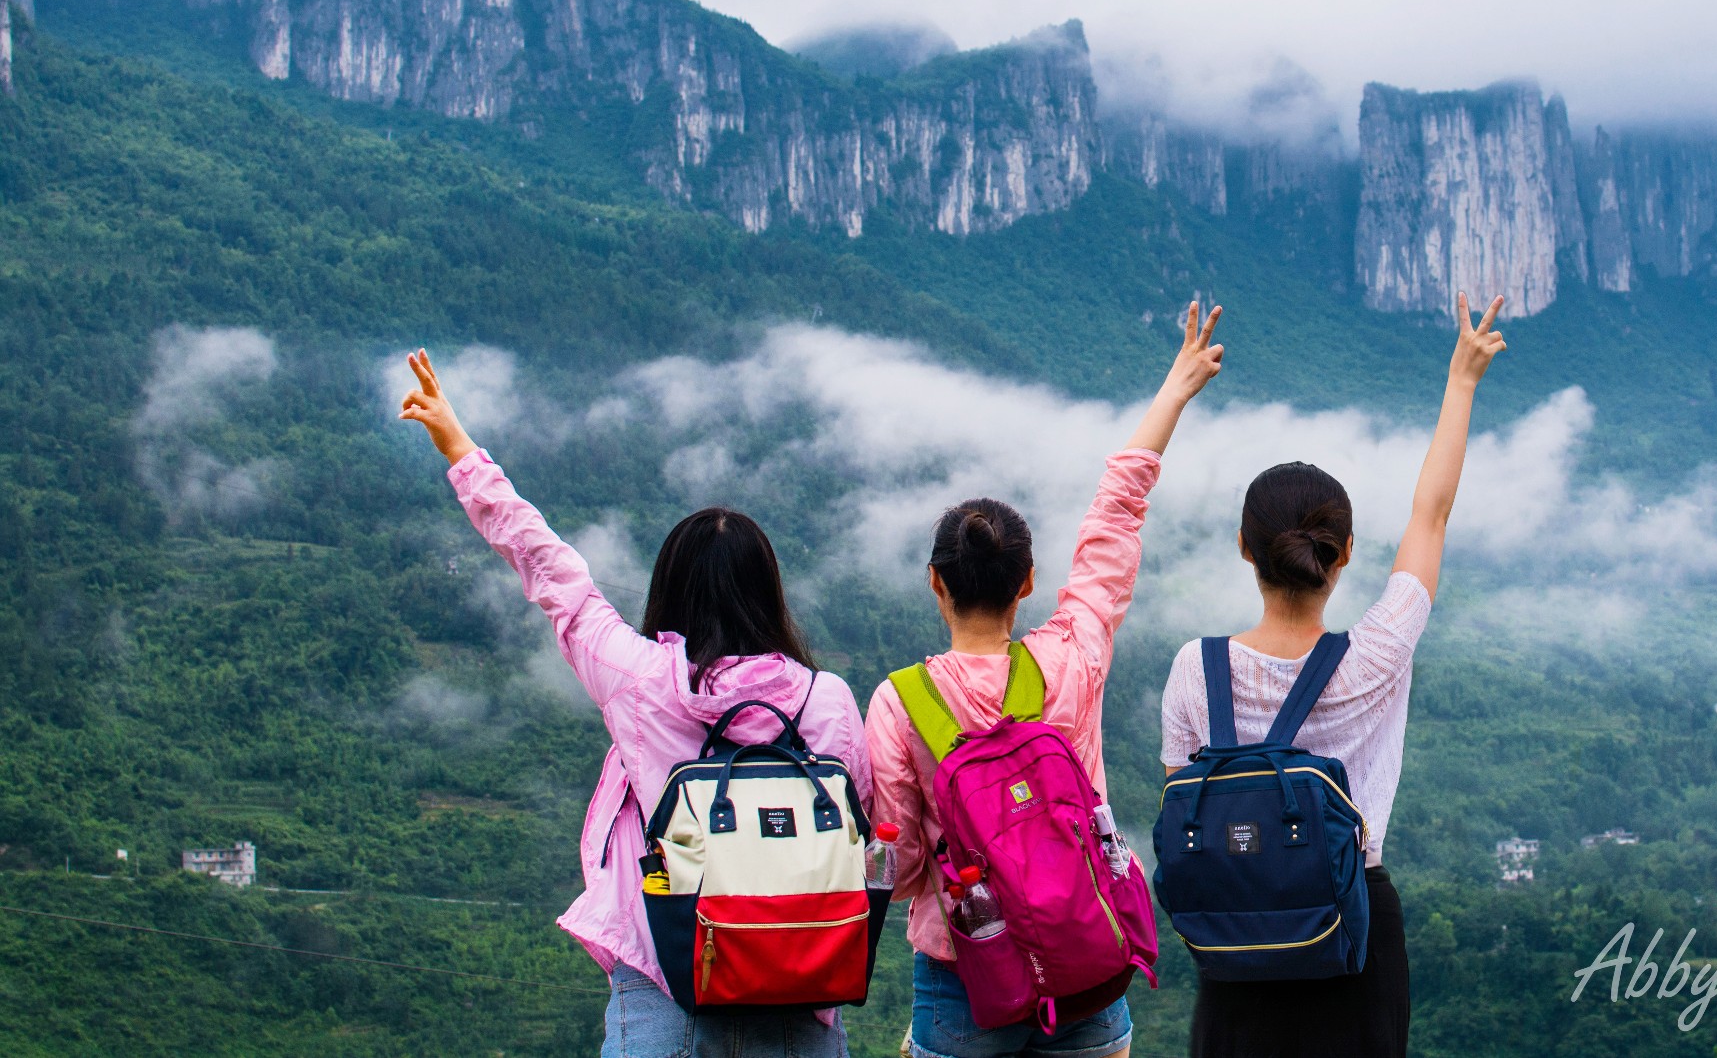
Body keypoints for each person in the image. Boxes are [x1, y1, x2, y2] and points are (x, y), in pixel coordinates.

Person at [399, 349, 870, 1058]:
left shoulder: (638, 679)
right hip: (800, 990)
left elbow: (553, 570)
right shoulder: (825, 699)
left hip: (665, 989)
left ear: (670, 589)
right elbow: (857, 825)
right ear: (768, 592)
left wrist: (459, 447)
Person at [867, 301, 1226, 1058]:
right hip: (1086, 969)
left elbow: (897, 873)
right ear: (1028, 582)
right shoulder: (1072, 657)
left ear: (936, 582)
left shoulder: (900, 703)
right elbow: (1115, 518)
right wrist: (1176, 387)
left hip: (964, 980)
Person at [1158, 291, 1509, 1058]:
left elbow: (1185, 801)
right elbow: (1432, 515)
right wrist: (1462, 378)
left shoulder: (1195, 669)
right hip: (1355, 931)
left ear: (1246, 550)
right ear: (1344, 553)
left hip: (1236, 941)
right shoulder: (1377, 655)